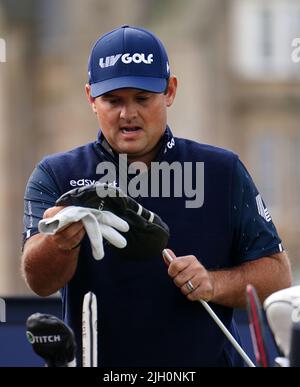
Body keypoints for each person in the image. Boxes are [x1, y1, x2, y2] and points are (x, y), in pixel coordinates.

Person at [22, 25, 292, 367]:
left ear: (170, 91)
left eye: (142, 98)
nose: (128, 113)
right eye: (113, 100)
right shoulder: (56, 175)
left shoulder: (222, 171)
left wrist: (213, 282)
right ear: (91, 98)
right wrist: (59, 242)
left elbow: (277, 277)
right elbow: (39, 281)